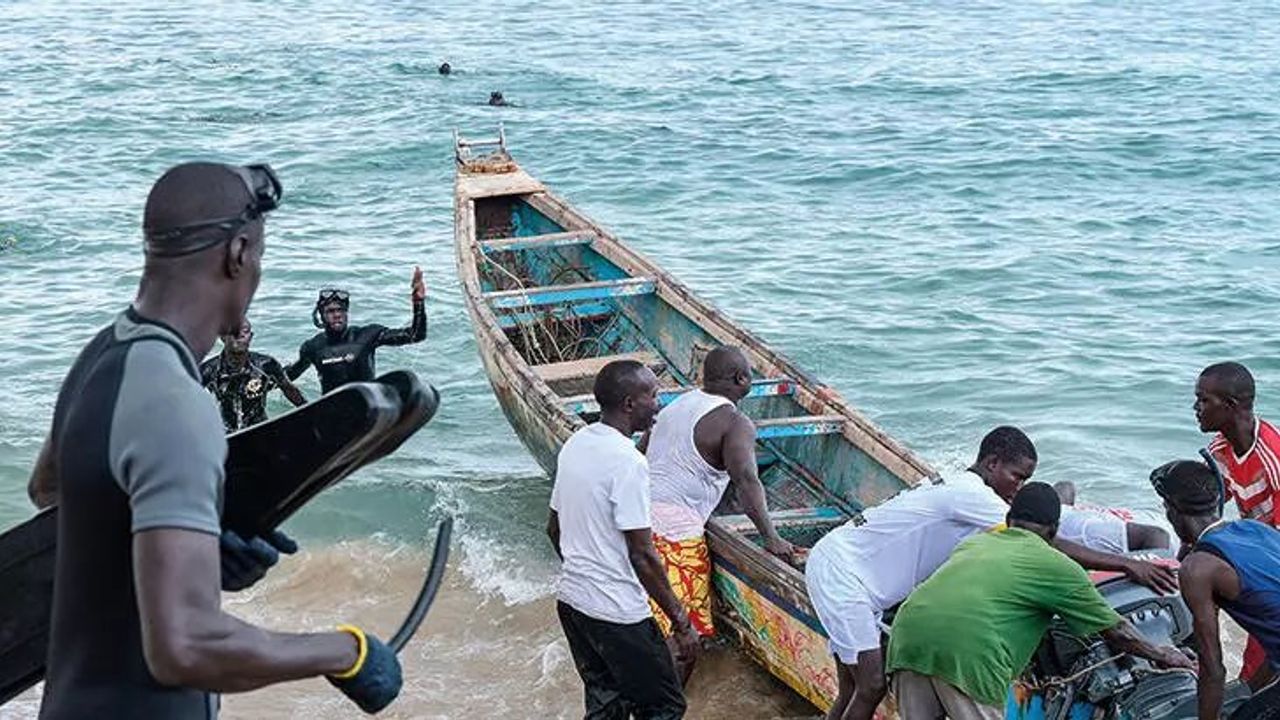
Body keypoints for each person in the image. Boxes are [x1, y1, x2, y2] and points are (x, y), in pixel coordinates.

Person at [26, 162, 401, 717]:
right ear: (238, 254)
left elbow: (51, 489)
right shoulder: (180, 402)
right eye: (260, 259)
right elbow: (185, 646)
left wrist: (182, 534)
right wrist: (344, 651)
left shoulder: (104, 353)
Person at [804, 427, 1176, 720]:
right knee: (869, 685)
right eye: (1018, 476)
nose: (1019, 488)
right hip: (845, 577)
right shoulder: (975, 496)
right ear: (992, 463)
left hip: (842, 565)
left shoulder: (956, 485)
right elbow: (1043, 542)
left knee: (852, 688)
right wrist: (1129, 563)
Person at [885, 483, 1193, 720]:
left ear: (1008, 519)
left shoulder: (976, 544)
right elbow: (1116, 631)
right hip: (968, 653)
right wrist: (1163, 654)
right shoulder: (1057, 565)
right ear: (1055, 530)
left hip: (907, 637)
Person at [546, 359, 693, 719]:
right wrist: (681, 621)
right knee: (664, 706)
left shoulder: (577, 443)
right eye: (653, 395)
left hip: (573, 601)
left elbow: (554, 528)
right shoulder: (629, 463)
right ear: (630, 404)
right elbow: (642, 555)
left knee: (605, 702)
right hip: (616, 612)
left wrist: (585, 571)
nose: (659, 403)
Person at [640, 346, 794, 681]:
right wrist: (772, 538)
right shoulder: (736, 422)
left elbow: (641, 455)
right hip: (675, 536)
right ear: (741, 379)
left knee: (648, 622)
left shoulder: (676, 405)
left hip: (636, 520)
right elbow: (746, 481)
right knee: (681, 637)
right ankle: (665, 705)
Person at [1151, 459, 1280, 719]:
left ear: (1172, 510)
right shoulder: (1254, 528)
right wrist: (1248, 691)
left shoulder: (1197, 569)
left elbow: (1212, 668)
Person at [1195, 361, 1280, 685]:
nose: (1196, 407)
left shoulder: (1273, 459)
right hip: (1261, 545)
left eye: (1204, 400)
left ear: (1229, 406)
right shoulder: (1221, 448)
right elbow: (1207, 511)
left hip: (1271, 556)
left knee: (1262, 664)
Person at [285, 270, 427, 395]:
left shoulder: (368, 335)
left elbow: (415, 335)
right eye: (330, 311)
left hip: (366, 406)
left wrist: (418, 301)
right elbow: (291, 375)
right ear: (321, 315)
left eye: (341, 310)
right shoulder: (312, 347)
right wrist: (267, 379)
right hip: (331, 410)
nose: (337, 315)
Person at [200, 318, 307, 432]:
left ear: (250, 337)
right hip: (228, 432)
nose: (240, 335)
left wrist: (310, 413)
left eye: (245, 331)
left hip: (260, 428)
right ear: (222, 337)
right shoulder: (209, 370)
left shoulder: (266, 365)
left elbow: (290, 390)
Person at [1052, 480, 1170, 553]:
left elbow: (1156, 534)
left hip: (1167, 536)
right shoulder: (1057, 508)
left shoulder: (1086, 531)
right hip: (1146, 516)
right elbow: (1065, 485)